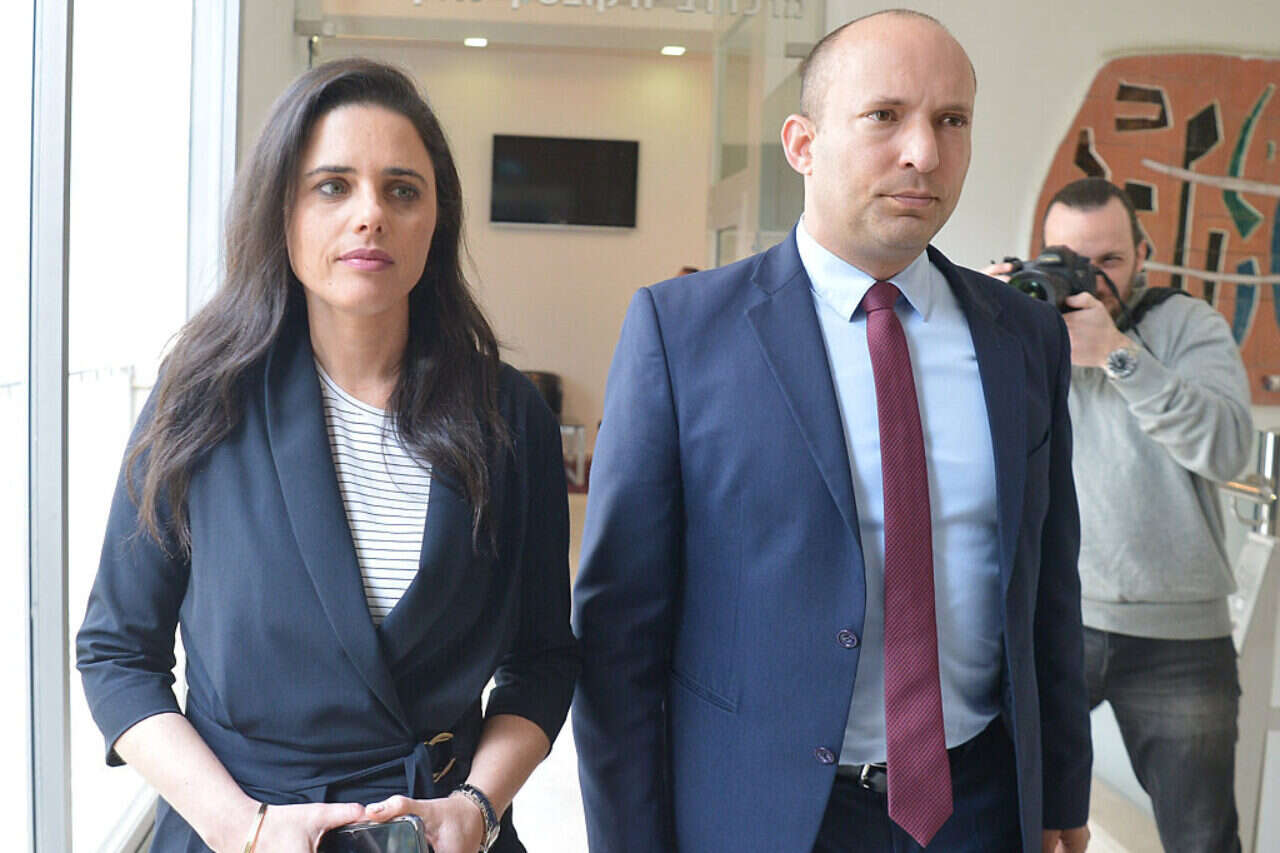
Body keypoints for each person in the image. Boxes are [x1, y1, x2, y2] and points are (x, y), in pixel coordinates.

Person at [572, 10, 1091, 853]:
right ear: (802, 143)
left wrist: (1061, 793)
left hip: (982, 808)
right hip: (764, 815)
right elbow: (619, 636)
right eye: (885, 115)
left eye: (951, 120)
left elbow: (1047, 592)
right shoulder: (682, 332)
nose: (923, 151)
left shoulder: (1024, 337)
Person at [76, 58, 578, 853]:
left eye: (402, 190)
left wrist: (478, 806)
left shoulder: (508, 415)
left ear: (437, 220)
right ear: (282, 212)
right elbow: (116, 653)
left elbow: (543, 659)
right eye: (333, 186)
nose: (370, 214)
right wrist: (244, 827)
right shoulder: (202, 397)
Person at [988, 177, 1251, 853]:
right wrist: (978, 326)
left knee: (1201, 837)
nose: (1089, 278)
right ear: (1039, 253)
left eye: (1108, 260)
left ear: (1143, 254)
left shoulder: (1187, 325)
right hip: (1050, 616)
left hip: (1177, 636)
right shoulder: (1022, 322)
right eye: (1068, 259)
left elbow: (1228, 449)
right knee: (1007, 817)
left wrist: (1118, 355)